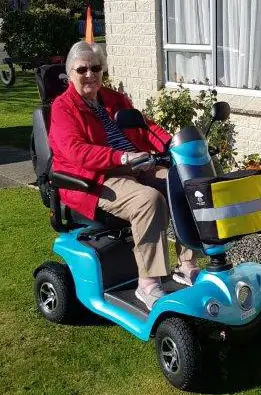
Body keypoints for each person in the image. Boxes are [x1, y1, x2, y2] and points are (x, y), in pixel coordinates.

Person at [48, 41, 200, 310]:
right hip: (95, 178)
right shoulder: (64, 108)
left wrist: (173, 145)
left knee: (185, 184)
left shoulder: (114, 99)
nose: (89, 74)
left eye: (95, 68)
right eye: (82, 69)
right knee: (148, 200)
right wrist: (122, 157)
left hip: (137, 165)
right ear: (70, 72)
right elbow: (76, 151)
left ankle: (185, 266)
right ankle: (148, 284)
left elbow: (145, 127)